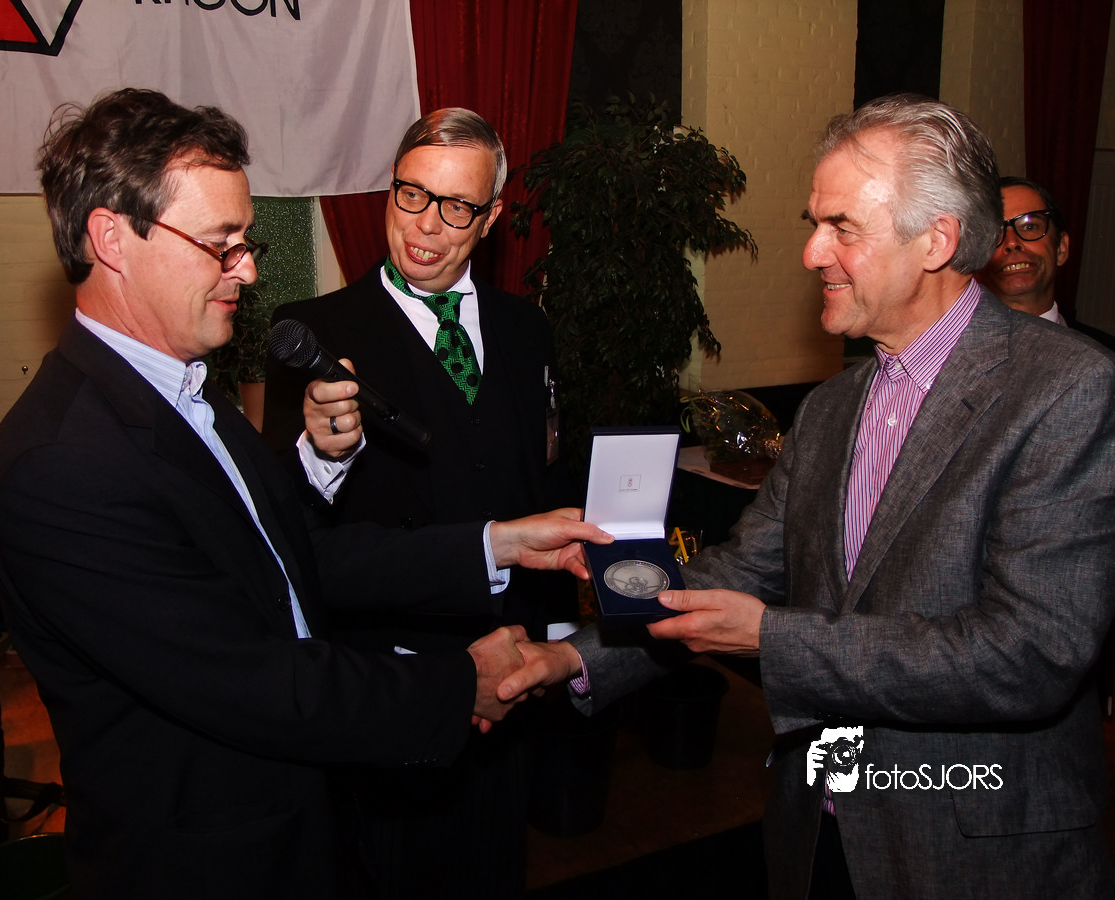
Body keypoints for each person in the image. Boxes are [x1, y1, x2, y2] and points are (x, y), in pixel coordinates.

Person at [0, 88, 609, 900]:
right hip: (213, 860)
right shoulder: (62, 465)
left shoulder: (188, 392)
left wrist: (498, 544)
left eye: (245, 243)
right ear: (112, 238)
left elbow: (293, 559)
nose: (245, 269)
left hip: (304, 812)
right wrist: (460, 683)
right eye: (221, 244)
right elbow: (247, 681)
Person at [501, 95, 1115, 898]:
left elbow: (1029, 654)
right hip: (818, 828)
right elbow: (741, 571)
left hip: (972, 850)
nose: (811, 252)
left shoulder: (1066, 388)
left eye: (841, 227)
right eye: (813, 223)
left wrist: (772, 640)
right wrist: (569, 658)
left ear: (937, 240)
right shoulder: (831, 408)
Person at [260, 108, 575, 899]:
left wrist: (558, 639)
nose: (427, 225)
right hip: (391, 695)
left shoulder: (526, 330)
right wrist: (321, 457)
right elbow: (288, 541)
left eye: (457, 206)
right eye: (412, 194)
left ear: (491, 217)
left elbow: (540, 485)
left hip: (513, 682)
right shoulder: (311, 335)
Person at [978, 175, 1115, 348]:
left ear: (1061, 248)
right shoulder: (949, 354)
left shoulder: (1105, 354)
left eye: (1030, 227)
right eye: (994, 232)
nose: (1011, 242)